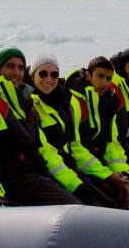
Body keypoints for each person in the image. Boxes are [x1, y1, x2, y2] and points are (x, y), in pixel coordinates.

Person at [0, 45, 97, 208]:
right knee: (76, 213)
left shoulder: (22, 106)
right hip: (10, 187)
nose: (16, 72)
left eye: (21, 67)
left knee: (87, 203)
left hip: (36, 180)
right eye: (10, 66)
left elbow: (45, 151)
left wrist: (75, 185)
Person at [28, 53, 122, 207]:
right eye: (43, 73)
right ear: (32, 76)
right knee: (95, 202)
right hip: (50, 173)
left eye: (54, 74)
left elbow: (75, 146)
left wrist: (113, 175)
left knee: (110, 197)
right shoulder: (31, 107)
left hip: (69, 168)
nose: (49, 79)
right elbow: (47, 154)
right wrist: (77, 185)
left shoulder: (62, 104)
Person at [66, 56, 129, 207]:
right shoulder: (74, 102)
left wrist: (123, 174)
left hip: (96, 163)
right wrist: (108, 176)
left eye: (108, 78)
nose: (104, 83)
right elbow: (74, 149)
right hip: (77, 165)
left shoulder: (110, 102)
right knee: (110, 198)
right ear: (88, 75)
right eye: (100, 77)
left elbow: (112, 145)